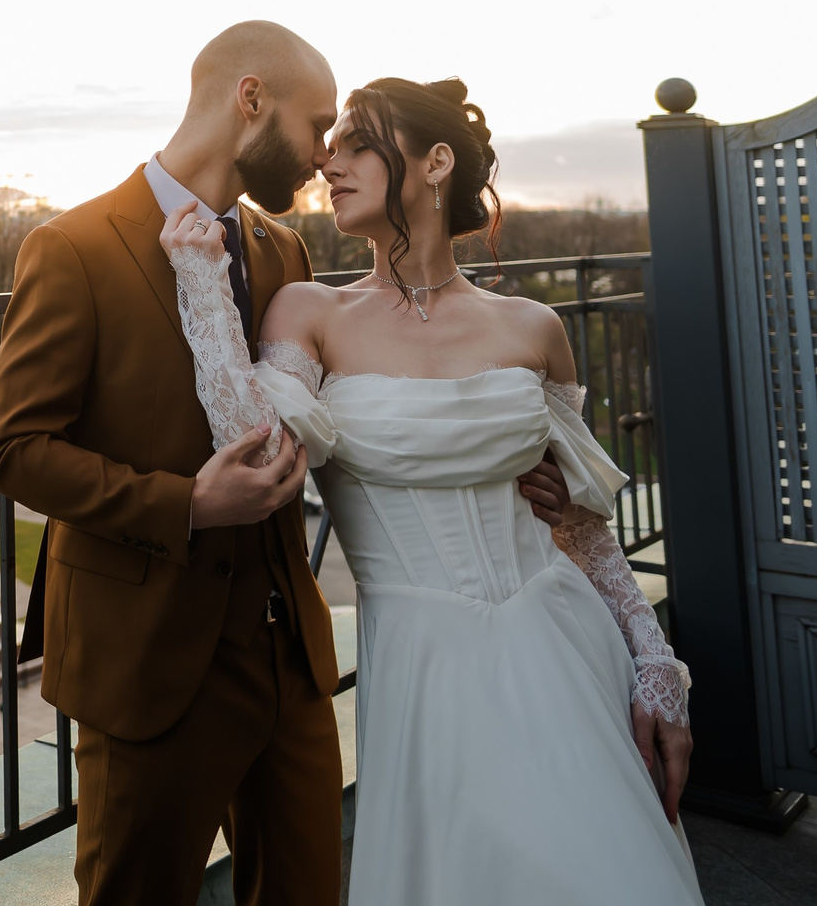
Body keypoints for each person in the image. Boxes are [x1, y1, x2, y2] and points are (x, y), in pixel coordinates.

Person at [160, 76, 701, 906]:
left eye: (355, 141)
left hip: (560, 639)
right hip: (424, 659)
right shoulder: (309, 311)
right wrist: (201, 282)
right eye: (328, 143)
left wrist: (654, 658)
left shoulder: (534, 327)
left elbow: (584, 527)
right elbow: (259, 453)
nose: (327, 159)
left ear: (435, 160)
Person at [0, 22, 347, 904]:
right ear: (250, 99)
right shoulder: (74, 246)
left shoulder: (283, 250)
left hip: (287, 655)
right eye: (318, 124)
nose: (324, 154)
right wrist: (188, 502)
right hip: (148, 663)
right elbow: (15, 448)